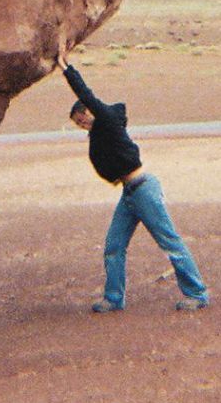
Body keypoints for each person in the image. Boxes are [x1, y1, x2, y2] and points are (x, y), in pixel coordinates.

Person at [57, 52, 209, 312]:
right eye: (78, 125)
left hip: (144, 189)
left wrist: (66, 67)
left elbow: (86, 93)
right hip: (129, 194)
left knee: (170, 241)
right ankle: (114, 299)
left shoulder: (105, 120)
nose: (82, 125)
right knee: (113, 246)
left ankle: (197, 293)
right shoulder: (99, 133)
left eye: (82, 119)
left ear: (90, 112)